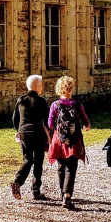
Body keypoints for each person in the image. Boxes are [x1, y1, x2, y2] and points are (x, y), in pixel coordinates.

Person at [47, 75, 90, 209]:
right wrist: (86, 126)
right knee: (71, 168)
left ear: (59, 89)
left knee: (61, 167)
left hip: (59, 139)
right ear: (71, 89)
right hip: (73, 140)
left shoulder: (55, 105)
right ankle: (67, 196)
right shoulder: (77, 104)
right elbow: (86, 122)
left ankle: (62, 193)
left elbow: (50, 123)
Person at [10, 75, 50, 201]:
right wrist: (49, 135)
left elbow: (15, 118)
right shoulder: (41, 101)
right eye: (41, 85)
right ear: (37, 87)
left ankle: (17, 181)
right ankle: (36, 190)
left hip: (24, 134)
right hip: (37, 133)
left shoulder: (21, 100)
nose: (42, 87)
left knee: (28, 159)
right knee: (38, 161)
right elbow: (47, 121)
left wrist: (19, 130)